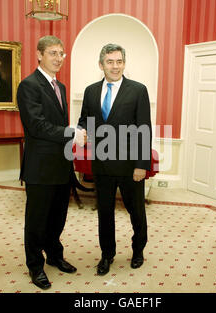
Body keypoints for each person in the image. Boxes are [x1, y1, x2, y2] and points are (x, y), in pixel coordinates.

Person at [17, 35, 86, 290]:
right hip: (40, 167)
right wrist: (71, 133)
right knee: (36, 221)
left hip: (61, 165)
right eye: (53, 53)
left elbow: (57, 125)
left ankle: (55, 256)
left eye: (61, 54)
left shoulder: (62, 87)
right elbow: (36, 126)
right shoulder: (29, 85)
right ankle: (35, 266)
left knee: (58, 218)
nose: (58, 58)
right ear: (39, 55)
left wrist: (72, 137)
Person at [78, 43, 152, 276]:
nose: (115, 66)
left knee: (136, 211)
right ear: (101, 65)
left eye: (119, 61)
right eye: (110, 61)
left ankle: (138, 250)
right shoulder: (90, 91)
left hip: (131, 166)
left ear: (124, 63)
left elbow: (144, 129)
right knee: (105, 212)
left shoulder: (138, 90)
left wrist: (142, 165)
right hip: (102, 164)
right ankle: (107, 254)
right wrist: (80, 131)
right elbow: (85, 120)